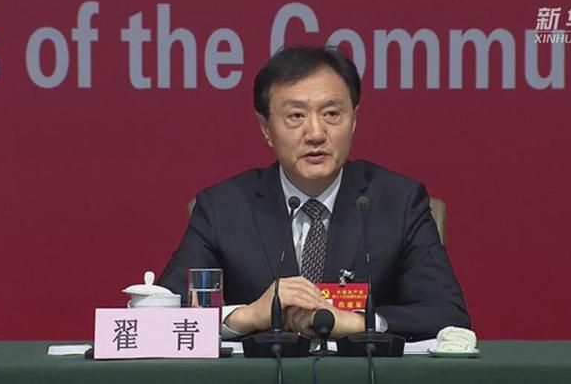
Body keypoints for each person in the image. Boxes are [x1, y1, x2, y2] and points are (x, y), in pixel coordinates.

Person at [158, 46, 470, 341]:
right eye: (296, 116)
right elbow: (161, 316)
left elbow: (448, 315)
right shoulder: (223, 207)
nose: (316, 134)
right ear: (266, 128)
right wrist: (247, 316)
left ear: (354, 120)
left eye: (332, 114)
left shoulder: (398, 202)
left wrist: (359, 322)